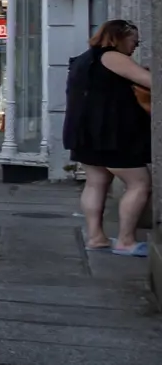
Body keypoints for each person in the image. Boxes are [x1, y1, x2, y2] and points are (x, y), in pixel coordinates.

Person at [66, 19, 154, 256]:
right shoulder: (112, 57)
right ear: (120, 37)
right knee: (139, 182)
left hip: (85, 133)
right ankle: (126, 241)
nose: (135, 47)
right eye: (134, 41)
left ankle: (96, 238)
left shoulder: (84, 59)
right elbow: (152, 83)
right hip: (112, 135)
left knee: (96, 182)